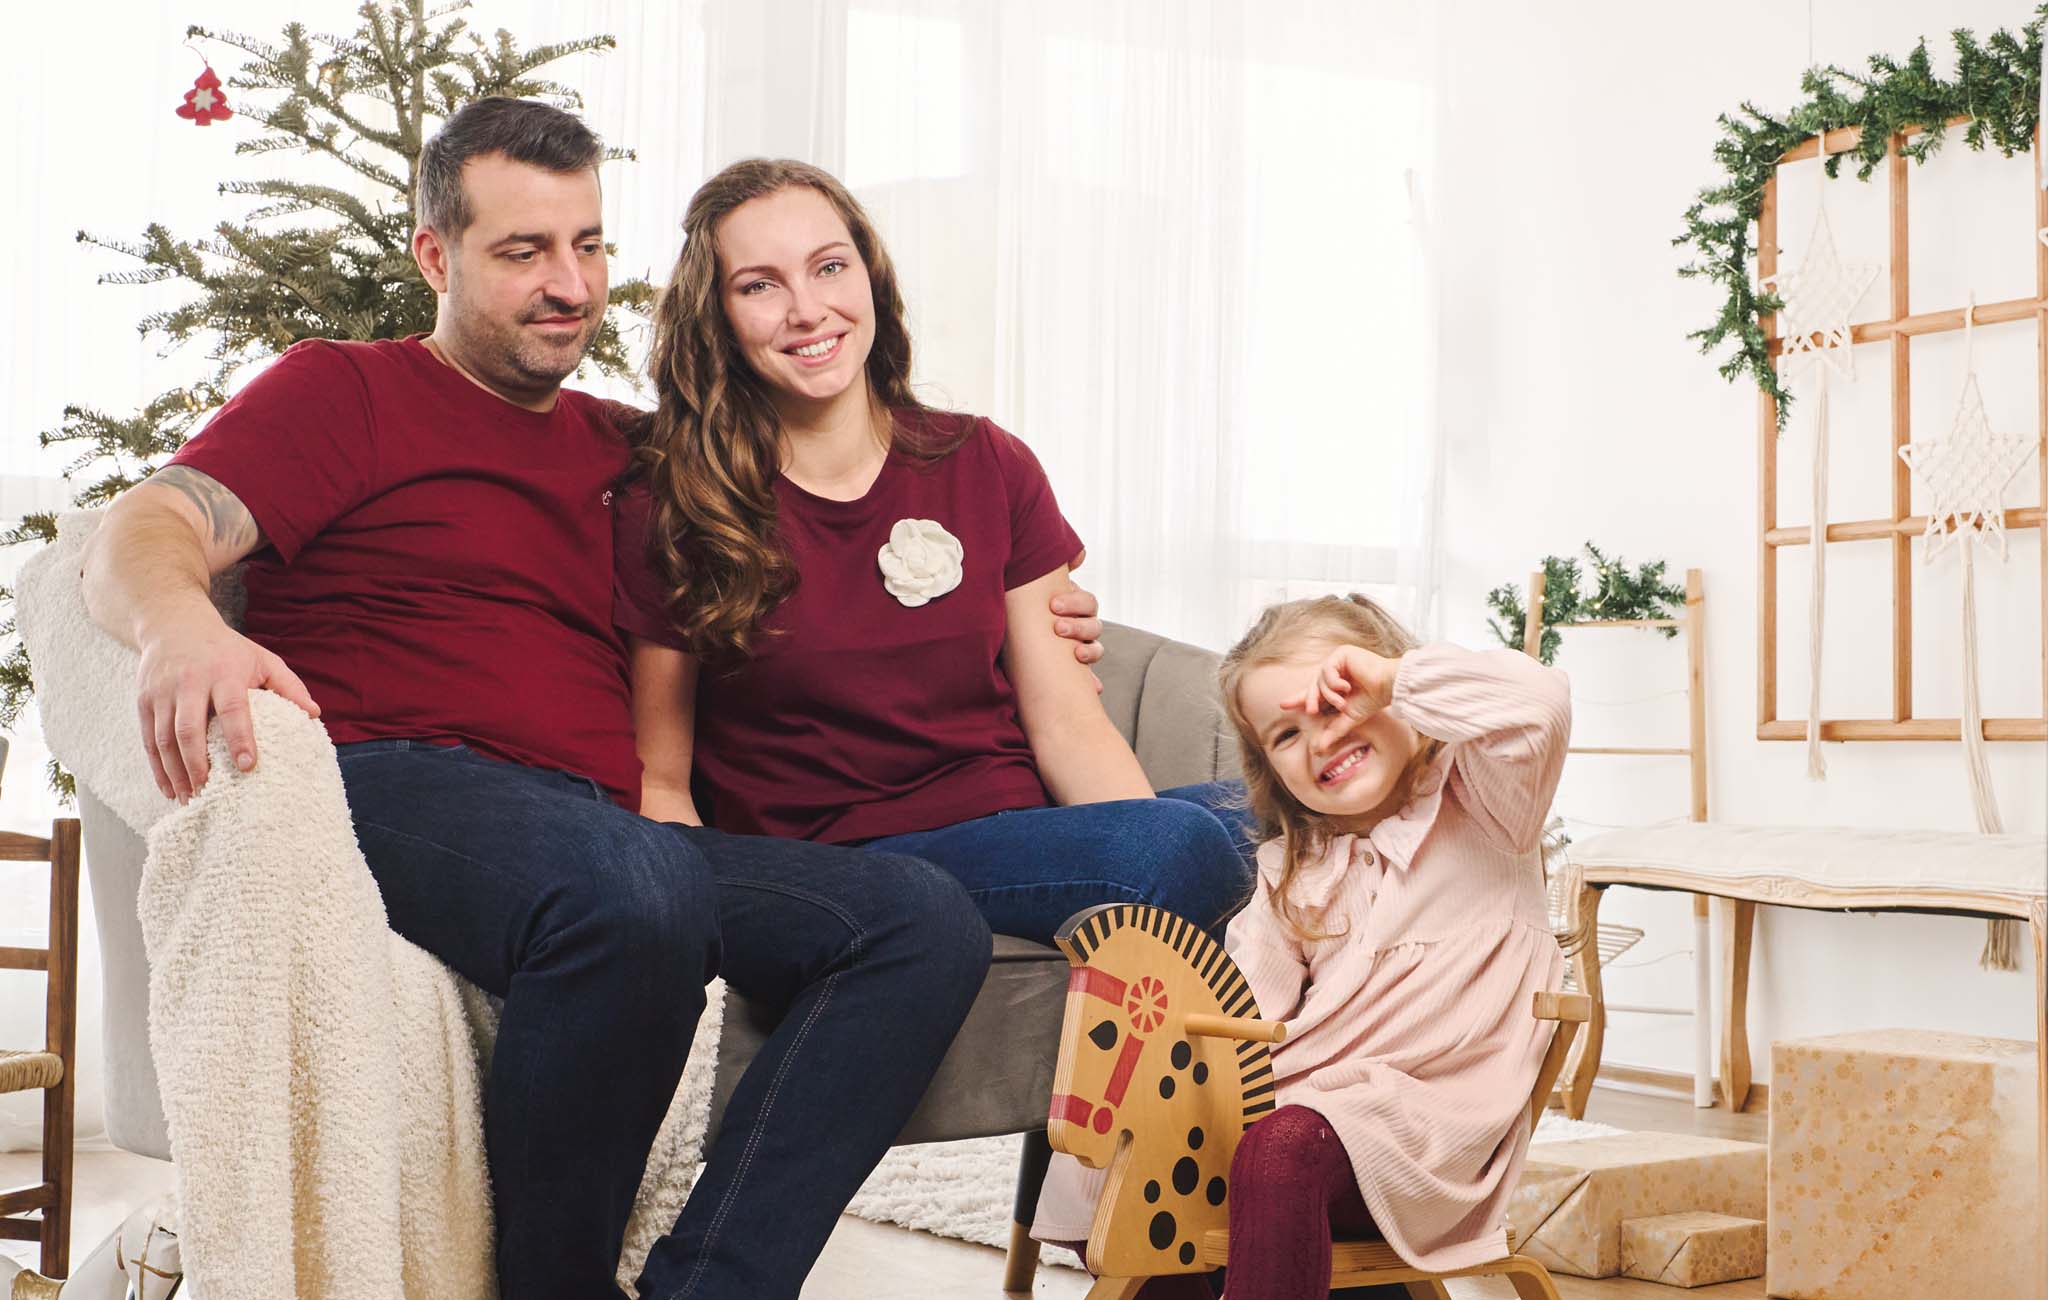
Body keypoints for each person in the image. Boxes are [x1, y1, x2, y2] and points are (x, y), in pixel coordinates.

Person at [78, 98, 1101, 1300]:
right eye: (523, 252)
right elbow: (149, 523)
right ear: (435, 256)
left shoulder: (636, 451)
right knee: (635, 884)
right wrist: (181, 623)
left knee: (918, 920)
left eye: (588, 245)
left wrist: (1023, 600)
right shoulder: (346, 390)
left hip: (598, 828)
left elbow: (824, 539)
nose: (569, 285)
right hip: (397, 779)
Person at [612, 158, 1254, 953]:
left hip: (1023, 833)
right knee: (1183, 843)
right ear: (717, 316)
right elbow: (661, 777)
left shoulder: (988, 462)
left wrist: (1142, 855)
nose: (808, 310)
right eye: (760, 285)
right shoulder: (678, 502)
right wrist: (700, 942)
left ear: (870, 276)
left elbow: (1068, 724)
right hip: (853, 870)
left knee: (1303, 813)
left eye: (829, 267)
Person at [1207, 594, 1572, 1300]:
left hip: (1429, 1132)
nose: (1319, 738)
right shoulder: (1294, 872)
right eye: (1285, 735)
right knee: (1170, 1151)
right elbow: (1243, 1019)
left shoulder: (1486, 809)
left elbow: (1542, 703)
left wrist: (1393, 680)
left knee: (1283, 1148)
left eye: (1337, 699)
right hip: (1310, 1112)